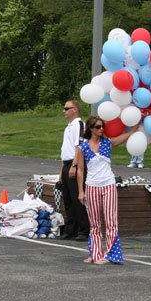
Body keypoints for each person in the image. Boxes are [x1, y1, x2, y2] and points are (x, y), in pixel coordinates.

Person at [75, 116, 134, 264]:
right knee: (94, 223)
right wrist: (81, 191)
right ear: (90, 129)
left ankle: (111, 255)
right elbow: (80, 170)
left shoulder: (107, 143)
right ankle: (95, 254)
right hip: (91, 186)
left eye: (102, 127)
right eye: (97, 127)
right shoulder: (82, 147)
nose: (101, 129)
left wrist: (134, 129)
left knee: (111, 222)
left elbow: (124, 137)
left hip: (108, 185)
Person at [58, 100, 88, 241]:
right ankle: (71, 229)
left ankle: (83, 230)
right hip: (67, 163)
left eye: (66, 108)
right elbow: (65, 151)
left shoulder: (79, 125)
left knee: (77, 198)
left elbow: (79, 147)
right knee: (68, 199)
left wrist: (75, 165)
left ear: (74, 110)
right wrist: (62, 170)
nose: (64, 111)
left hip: (75, 163)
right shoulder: (68, 127)